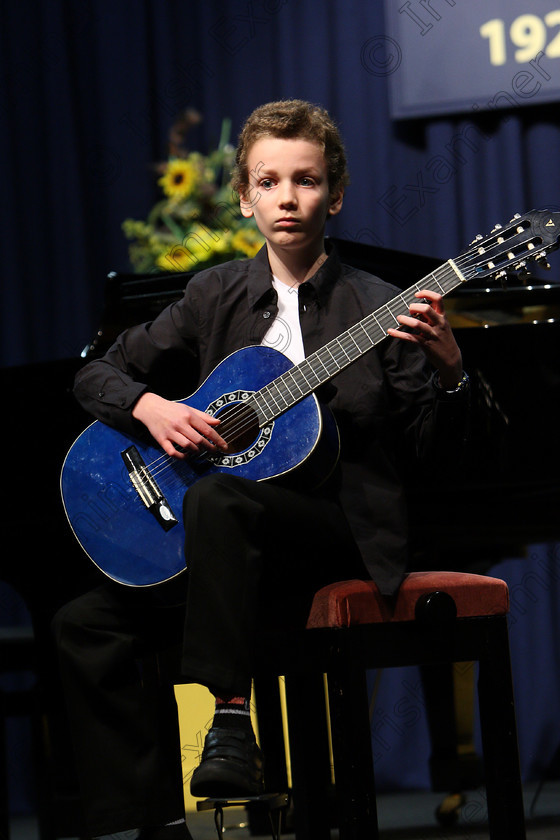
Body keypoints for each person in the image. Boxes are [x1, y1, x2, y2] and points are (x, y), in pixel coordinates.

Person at [53, 99, 469, 840]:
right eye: (268, 181)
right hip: (226, 545)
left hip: (331, 531)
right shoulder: (213, 294)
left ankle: (230, 722)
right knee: (84, 622)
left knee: (219, 499)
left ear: (333, 194)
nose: (287, 197)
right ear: (245, 196)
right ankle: (137, 828)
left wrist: (448, 373)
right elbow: (97, 377)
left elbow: (434, 456)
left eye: (305, 181)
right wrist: (152, 407)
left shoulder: (383, 307)